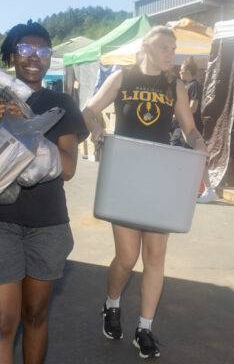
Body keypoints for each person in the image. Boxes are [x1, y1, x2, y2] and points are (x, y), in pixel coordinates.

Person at [0, 20, 88, 364]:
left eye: (42, 51)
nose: (34, 58)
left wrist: (28, 126)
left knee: (35, 316)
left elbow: (69, 167)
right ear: (12, 55)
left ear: (49, 58)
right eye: (25, 50)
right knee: (2, 323)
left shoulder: (61, 103)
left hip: (47, 227)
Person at [82, 26, 208, 359]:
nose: (172, 53)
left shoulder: (174, 84)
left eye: (174, 47)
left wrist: (200, 149)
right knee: (127, 257)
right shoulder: (124, 77)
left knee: (155, 258)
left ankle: (145, 329)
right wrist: (97, 132)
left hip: (160, 177)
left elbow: (190, 128)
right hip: (124, 175)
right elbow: (89, 110)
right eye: (166, 47)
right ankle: (111, 305)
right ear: (148, 47)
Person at [178, 56, 218, 204]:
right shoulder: (187, 85)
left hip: (192, 127)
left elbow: (193, 107)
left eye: (181, 70)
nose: (180, 73)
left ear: (188, 70)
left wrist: (178, 115)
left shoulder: (193, 85)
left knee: (197, 158)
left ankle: (208, 189)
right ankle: (200, 189)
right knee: (193, 158)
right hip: (187, 126)